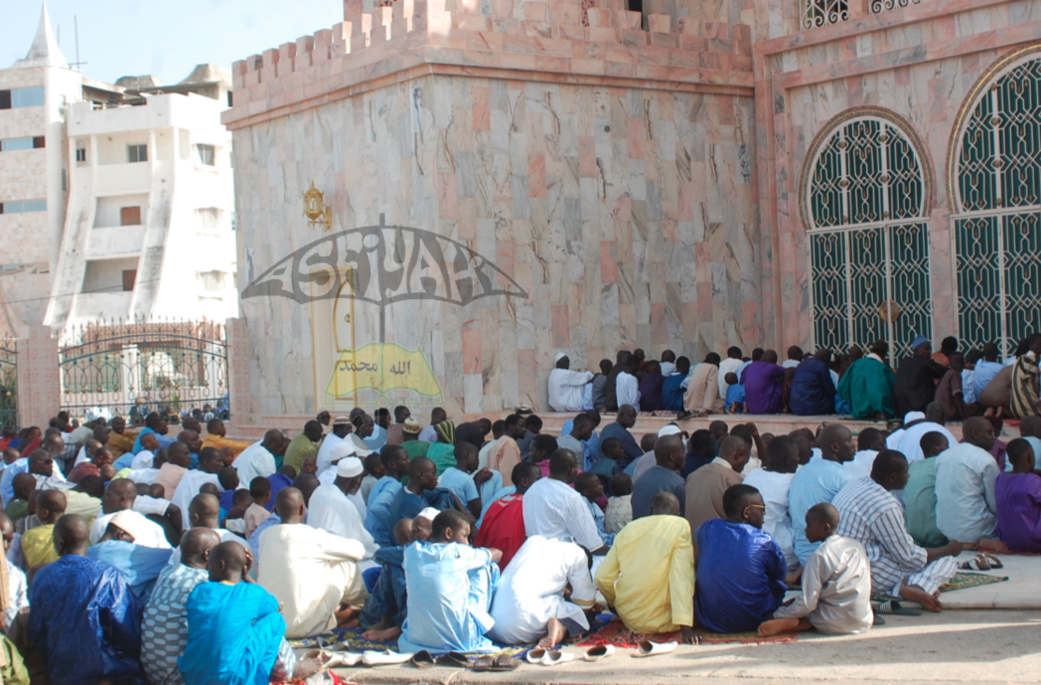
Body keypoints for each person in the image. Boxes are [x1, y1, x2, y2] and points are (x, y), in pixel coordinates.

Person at [834, 451, 962, 612]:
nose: (908, 477)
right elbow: (908, 556)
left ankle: (898, 589)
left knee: (910, 555)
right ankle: (918, 586)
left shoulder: (855, 484)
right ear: (892, 477)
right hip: (864, 573)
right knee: (947, 561)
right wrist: (949, 549)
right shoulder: (885, 504)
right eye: (906, 473)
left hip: (838, 570)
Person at [30, 514, 145, 685]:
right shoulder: (107, 575)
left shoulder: (42, 576)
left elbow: (37, 630)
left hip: (61, 672)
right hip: (106, 674)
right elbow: (127, 628)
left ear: (60, 542)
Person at [258, 487, 368, 638]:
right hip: (303, 626)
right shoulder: (313, 536)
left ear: (276, 510)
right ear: (303, 509)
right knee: (345, 565)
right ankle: (364, 606)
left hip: (271, 624)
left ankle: (344, 610)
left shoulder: (264, 537)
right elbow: (359, 551)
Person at [179, 541, 292, 685]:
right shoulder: (252, 592)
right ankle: (259, 678)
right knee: (276, 619)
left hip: (192, 675)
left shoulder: (199, 591)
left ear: (220, 565)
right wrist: (247, 577)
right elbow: (274, 607)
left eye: (209, 567)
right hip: (232, 678)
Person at [595, 492, 699, 641]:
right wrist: (686, 627)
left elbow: (602, 577)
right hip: (667, 621)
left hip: (629, 618)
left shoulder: (629, 529)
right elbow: (681, 576)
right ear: (678, 514)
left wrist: (614, 604)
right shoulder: (679, 525)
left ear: (650, 510)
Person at [758, 503, 873, 637]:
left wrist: (778, 614)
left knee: (802, 608)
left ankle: (792, 623)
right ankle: (794, 620)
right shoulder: (855, 546)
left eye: (809, 525)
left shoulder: (818, 556)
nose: (805, 530)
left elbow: (808, 603)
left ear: (826, 528)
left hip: (833, 623)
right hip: (863, 620)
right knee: (802, 602)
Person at [398, 510, 502, 654]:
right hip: (461, 641)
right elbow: (497, 553)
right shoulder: (460, 552)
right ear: (448, 533)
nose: (467, 542)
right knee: (488, 566)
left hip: (416, 640)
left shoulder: (411, 552)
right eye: (465, 536)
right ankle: (489, 625)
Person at [695, 484, 787, 633]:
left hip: (709, 620)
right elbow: (780, 573)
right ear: (747, 512)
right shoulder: (764, 541)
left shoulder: (707, 528)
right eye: (762, 509)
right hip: (753, 620)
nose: (764, 514)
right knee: (775, 581)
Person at [141, 528, 222, 685]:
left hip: (153, 672)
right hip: (179, 677)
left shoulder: (166, 573)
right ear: (207, 554)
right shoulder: (203, 582)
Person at [488, 534, 597, 646]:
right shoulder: (578, 555)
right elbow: (585, 604)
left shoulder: (534, 541)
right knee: (578, 617)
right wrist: (588, 608)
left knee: (550, 600)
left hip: (493, 625)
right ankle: (559, 628)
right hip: (522, 620)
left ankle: (543, 630)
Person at [788, 424, 856, 563]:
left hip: (802, 554)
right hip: (830, 558)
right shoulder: (843, 478)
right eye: (849, 440)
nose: (854, 445)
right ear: (835, 447)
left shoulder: (803, 471)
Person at [523, 449, 608, 554]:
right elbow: (593, 546)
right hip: (561, 558)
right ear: (570, 470)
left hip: (532, 554)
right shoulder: (570, 497)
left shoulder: (532, 490)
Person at [935, 417, 1002, 545]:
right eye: (990, 433)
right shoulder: (986, 460)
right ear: (975, 434)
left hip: (946, 529)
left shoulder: (943, 456)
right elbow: (995, 503)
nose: (994, 437)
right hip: (977, 530)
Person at [89, 511, 175, 601]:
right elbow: (173, 555)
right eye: (132, 539)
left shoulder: (87, 552)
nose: (133, 543)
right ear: (121, 534)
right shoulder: (124, 550)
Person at [743, 435, 800, 570]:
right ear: (788, 460)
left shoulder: (753, 474)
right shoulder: (791, 483)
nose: (799, 460)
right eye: (797, 456)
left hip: (746, 545)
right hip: (779, 551)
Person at [309, 457, 378, 559]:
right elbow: (363, 543)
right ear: (356, 481)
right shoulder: (344, 504)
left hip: (313, 552)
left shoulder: (319, 491)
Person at [475, 462, 541, 568]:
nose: (541, 484)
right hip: (514, 566)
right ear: (524, 481)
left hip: (489, 565)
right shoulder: (530, 506)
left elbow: (481, 536)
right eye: (538, 479)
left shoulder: (498, 502)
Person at [685, 435, 750, 534]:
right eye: (745, 463)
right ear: (738, 455)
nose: (743, 468)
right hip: (717, 540)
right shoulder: (734, 480)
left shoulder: (693, 475)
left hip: (690, 539)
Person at [91, 478, 175, 549]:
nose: (102, 499)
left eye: (107, 495)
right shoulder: (155, 527)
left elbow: (94, 554)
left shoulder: (102, 523)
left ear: (122, 500)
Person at [903, 432, 951, 548]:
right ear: (936, 448)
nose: (949, 450)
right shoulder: (942, 465)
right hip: (937, 536)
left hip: (912, 535)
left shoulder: (913, 466)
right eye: (946, 446)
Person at [995, 438, 1041, 553]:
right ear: (1030, 458)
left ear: (1010, 460)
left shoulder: (1001, 478)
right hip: (1034, 540)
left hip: (1010, 540)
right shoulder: (1033, 481)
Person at [364, 445, 411, 547]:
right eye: (405, 459)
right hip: (382, 541)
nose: (409, 462)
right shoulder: (393, 485)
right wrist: (394, 526)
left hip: (372, 537)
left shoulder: (381, 481)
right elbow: (377, 507)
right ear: (392, 464)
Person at [631, 434, 686, 518]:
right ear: (673, 456)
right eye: (682, 452)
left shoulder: (641, 479)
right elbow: (681, 519)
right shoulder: (677, 484)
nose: (685, 455)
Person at [838, 340, 896, 419]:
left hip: (857, 413)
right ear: (884, 354)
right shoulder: (882, 368)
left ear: (871, 350)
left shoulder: (855, 365)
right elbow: (890, 389)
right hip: (876, 414)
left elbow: (841, 387)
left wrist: (854, 402)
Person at [894, 336, 947, 417]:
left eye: (929, 349)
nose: (929, 352)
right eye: (926, 349)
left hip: (902, 410)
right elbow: (944, 372)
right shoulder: (925, 363)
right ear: (916, 351)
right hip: (919, 407)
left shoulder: (904, 362)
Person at [439, 442, 491, 519]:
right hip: (460, 519)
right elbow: (477, 512)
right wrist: (477, 482)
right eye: (476, 457)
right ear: (466, 456)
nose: (478, 462)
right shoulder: (467, 479)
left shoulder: (448, 471)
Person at [170, 447, 223, 517]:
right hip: (191, 521)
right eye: (219, 461)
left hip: (176, 520)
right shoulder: (213, 478)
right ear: (207, 462)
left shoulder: (189, 473)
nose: (222, 464)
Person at [22, 489, 66, 571]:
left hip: (38, 577)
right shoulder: (74, 533)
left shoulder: (30, 535)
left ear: (44, 513)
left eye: (37, 508)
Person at [790, 349, 837, 416]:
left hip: (796, 407)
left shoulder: (801, 364)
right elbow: (830, 389)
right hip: (812, 407)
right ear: (827, 360)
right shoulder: (821, 366)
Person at [487, 414, 525, 486]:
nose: (524, 430)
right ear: (511, 427)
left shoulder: (500, 442)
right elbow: (508, 473)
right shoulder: (509, 443)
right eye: (521, 426)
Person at [742, 350, 784, 414]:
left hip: (751, 408)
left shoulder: (750, 366)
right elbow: (788, 371)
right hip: (768, 408)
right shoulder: (771, 367)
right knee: (782, 379)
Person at [1010, 334, 1041, 418]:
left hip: (1016, 409)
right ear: (1032, 345)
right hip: (1031, 410)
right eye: (1039, 344)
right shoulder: (1032, 361)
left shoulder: (1019, 360)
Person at [937, 352, 975, 420]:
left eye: (961, 362)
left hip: (942, 411)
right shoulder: (954, 374)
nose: (959, 365)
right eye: (956, 362)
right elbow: (957, 396)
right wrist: (964, 417)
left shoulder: (948, 373)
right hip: (949, 412)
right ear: (950, 363)